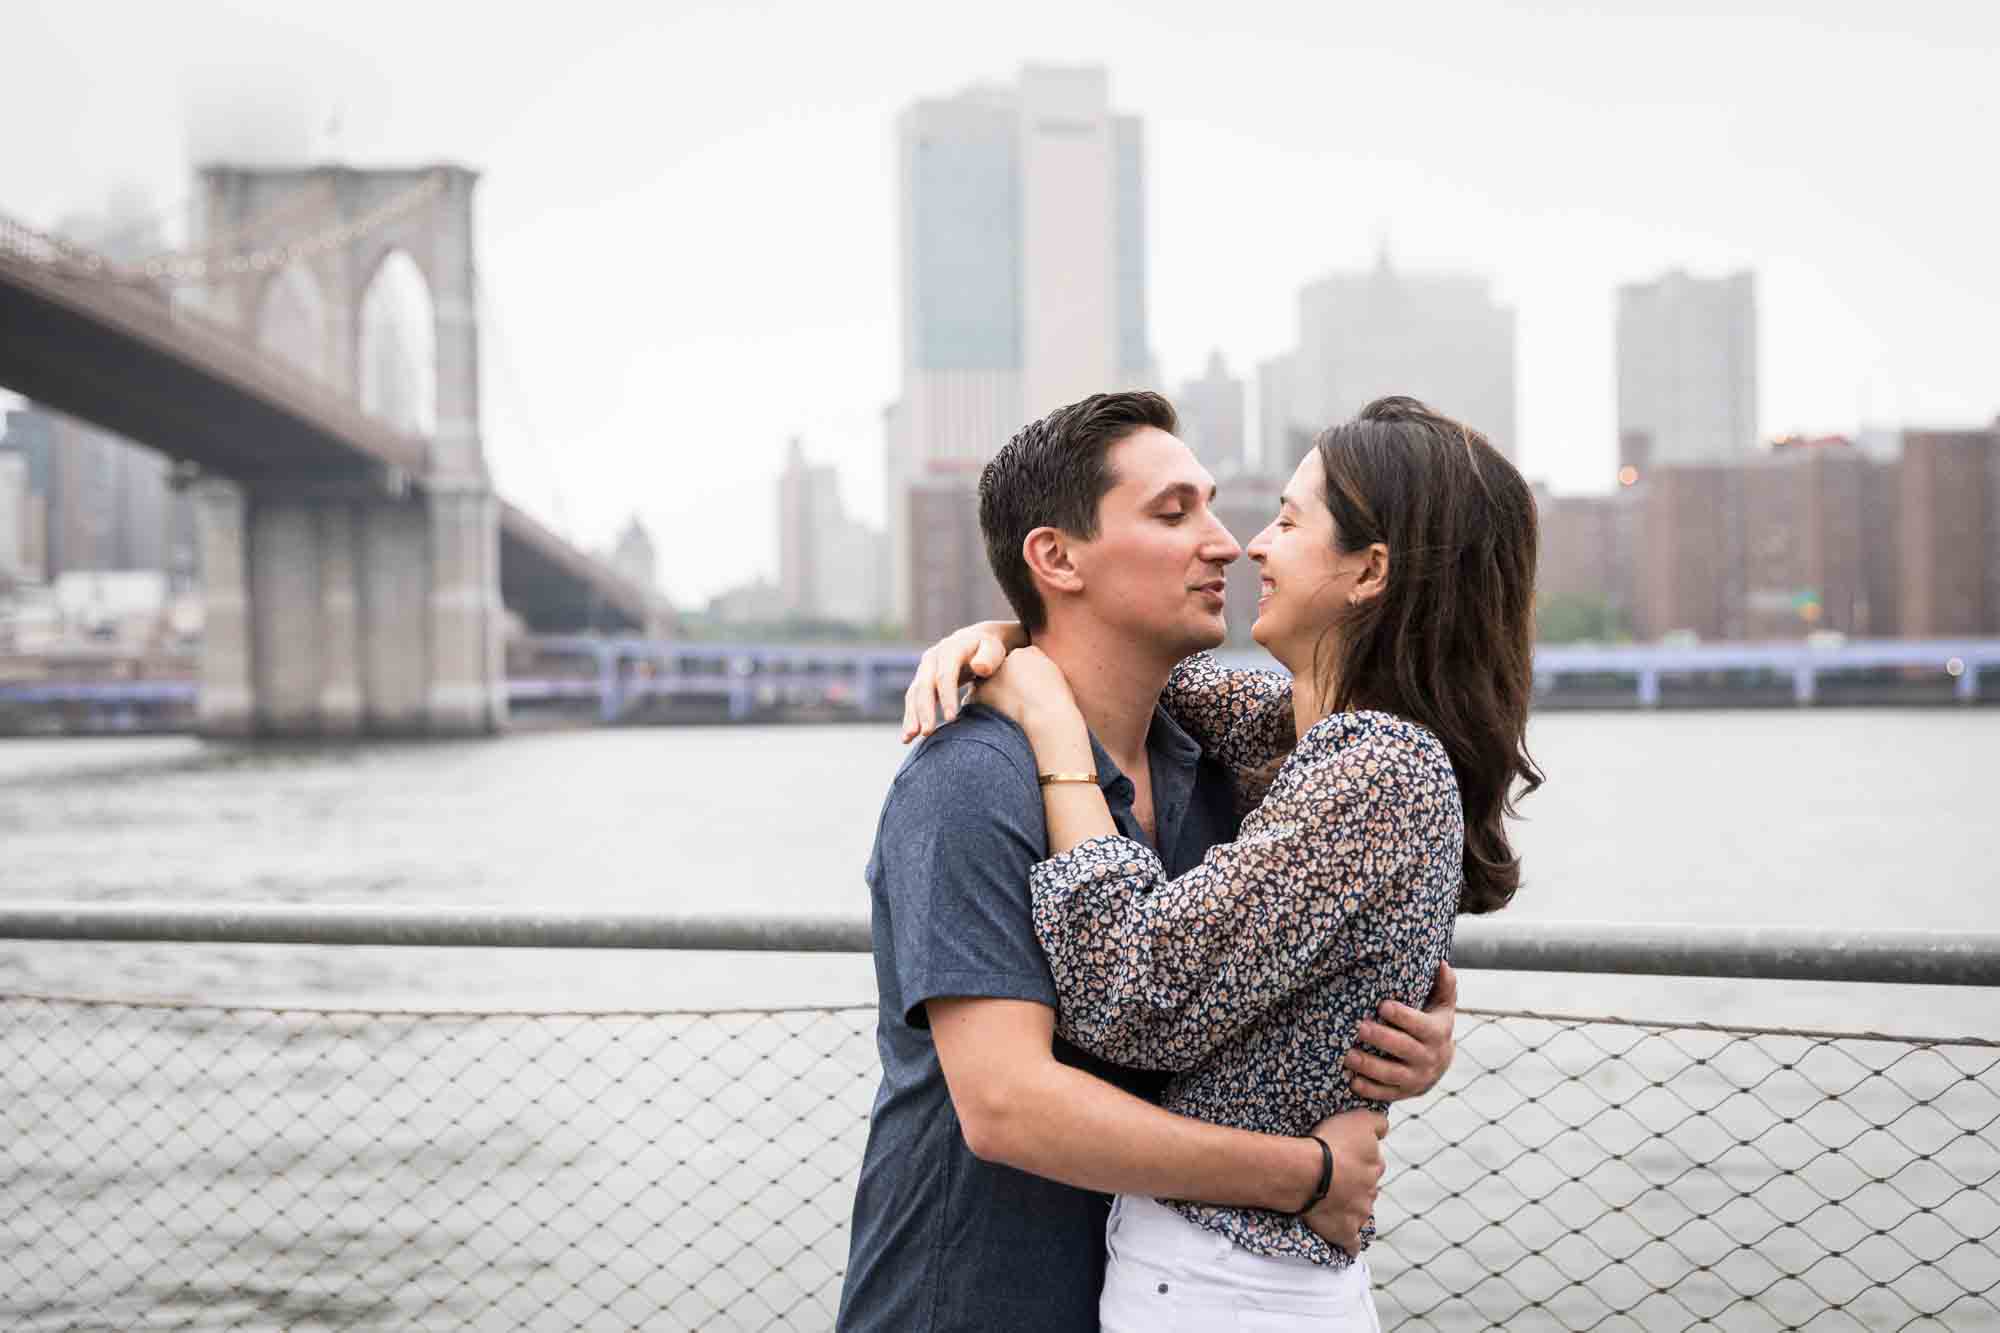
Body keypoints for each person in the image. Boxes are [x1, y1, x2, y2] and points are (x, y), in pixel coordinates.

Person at [909, 394, 1541, 1330]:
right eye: (1176, 512)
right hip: (1101, 1279)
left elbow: (1138, 992)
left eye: (1287, 520)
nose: (1240, 544)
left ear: (1370, 571)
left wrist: (1048, 721)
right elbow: (1162, 687)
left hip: (1226, 1283)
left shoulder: (1369, 769)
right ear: (1057, 555)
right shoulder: (1271, 744)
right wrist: (1004, 640)